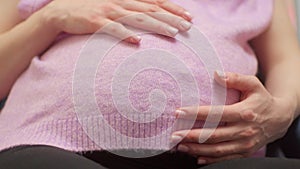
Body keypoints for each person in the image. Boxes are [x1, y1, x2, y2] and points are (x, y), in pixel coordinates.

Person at [0, 0, 300, 169]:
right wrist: (51, 18)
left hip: (214, 156)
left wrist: (282, 112)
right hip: (49, 144)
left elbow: (287, 60)